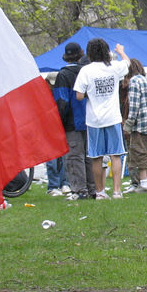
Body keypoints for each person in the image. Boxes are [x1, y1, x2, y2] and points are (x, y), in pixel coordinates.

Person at [74, 38, 130, 199]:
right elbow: (127, 63)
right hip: (112, 117)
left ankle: (100, 191)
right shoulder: (113, 67)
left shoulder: (86, 70)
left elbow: (78, 95)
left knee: (96, 157)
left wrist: (90, 94)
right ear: (106, 52)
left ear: (90, 53)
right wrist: (120, 51)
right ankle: (117, 191)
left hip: (94, 119)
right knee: (116, 154)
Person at [52, 42, 96, 200]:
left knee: (74, 157)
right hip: (91, 119)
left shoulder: (63, 75)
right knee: (89, 157)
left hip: (72, 121)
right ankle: (93, 189)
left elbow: (61, 100)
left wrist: (59, 121)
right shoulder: (89, 72)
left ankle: (79, 190)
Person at [123, 57, 147, 193]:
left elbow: (134, 105)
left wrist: (128, 124)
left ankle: (143, 185)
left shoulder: (134, 82)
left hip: (141, 125)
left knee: (140, 154)